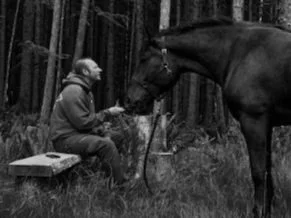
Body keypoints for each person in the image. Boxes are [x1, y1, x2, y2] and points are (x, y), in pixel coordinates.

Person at [50, 57, 128, 186]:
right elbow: (83, 123)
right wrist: (107, 113)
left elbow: (86, 123)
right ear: (86, 72)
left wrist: (102, 131)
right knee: (105, 145)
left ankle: (105, 178)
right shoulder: (74, 91)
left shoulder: (86, 92)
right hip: (65, 140)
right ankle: (119, 186)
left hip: (77, 136)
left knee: (117, 137)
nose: (100, 70)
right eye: (95, 67)